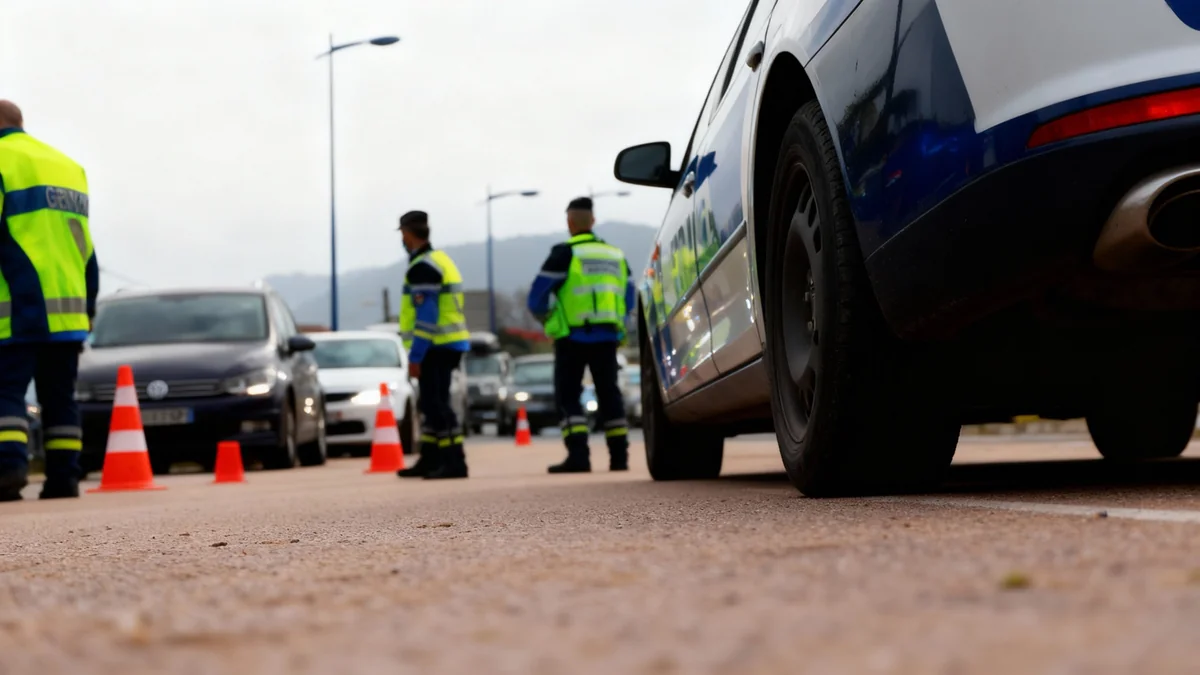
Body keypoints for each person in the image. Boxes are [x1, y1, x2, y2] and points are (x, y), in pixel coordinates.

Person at [0, 100, 98, 501]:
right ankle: (64, 479)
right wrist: (87, 307)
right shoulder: (67, 167)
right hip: (68, 311)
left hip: (15, 306)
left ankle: (7, 472)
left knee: (5, 394)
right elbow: (86, 248)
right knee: (60, 398)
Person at [528, 197, 636, 473]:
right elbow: (629, 295)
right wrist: (618, 320)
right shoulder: (615, 254)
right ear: (593, 221)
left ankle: (579, 457)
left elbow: (536, 298)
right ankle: (619, 458)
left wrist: (551, 320)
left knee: (568, 395)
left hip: (572, 338)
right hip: (608, 336)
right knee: (609, 394)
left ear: (570, 223)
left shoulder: (564, 253)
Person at [394, 210, 471, 480]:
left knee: (437, 405)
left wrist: (415, 356)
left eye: (402, 234)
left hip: (435, 347)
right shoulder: (440, 260)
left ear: (409, 234)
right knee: (430, 404)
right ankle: (430, 458)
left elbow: (426, 316)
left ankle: (454, 462)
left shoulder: (424, 267)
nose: (402, 240)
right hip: (446, 344)